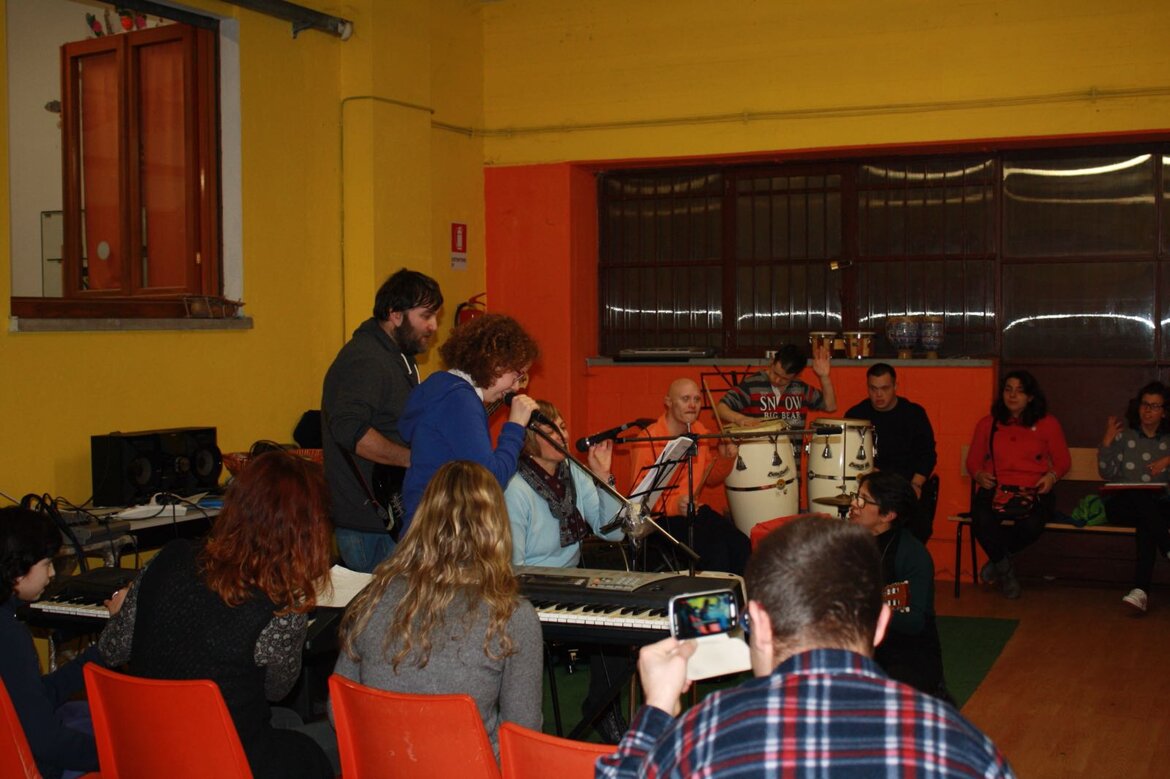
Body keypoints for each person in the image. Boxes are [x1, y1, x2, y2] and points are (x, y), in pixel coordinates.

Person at [596, 516, 1015, 778]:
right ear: (881, 625)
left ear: (759, 625)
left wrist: (656, 710)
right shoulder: (963, 748)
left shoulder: (699, 737)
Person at [98, 451, 337, 779]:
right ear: (307, 531)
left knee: (287, 723)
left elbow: (112, 650)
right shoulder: (280, 606)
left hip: (151, 752)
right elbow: (276, 691)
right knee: (320, 747)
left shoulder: (168, 558)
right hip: (225, 758)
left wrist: (120, 613)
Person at [335, 461, 543, 755]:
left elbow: (338, 710)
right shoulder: (512, 615)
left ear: (424, 518)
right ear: (496, 526)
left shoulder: (373, 597)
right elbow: (524, 735)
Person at [504, 400, 628, 741]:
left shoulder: (573, 471)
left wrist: (602, 477)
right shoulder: (515, 487)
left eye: (562, 426)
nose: (562, 435)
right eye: (551, 430)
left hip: (572, 582)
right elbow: (511, 568)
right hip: (529, 590)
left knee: (618, 623)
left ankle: (602, 708)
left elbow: (613, 532)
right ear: (530, 438)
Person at [321, 268, 443, 572]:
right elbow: (349, 429)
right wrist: (411, 459)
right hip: (370, 527)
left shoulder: (397, 355)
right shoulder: (366, 360)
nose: (433, 326)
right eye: (426, 316)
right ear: (395, 314)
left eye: (435, 316)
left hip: (390, 520)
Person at [1, 506, 127, 779]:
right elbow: (48, 743)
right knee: (124, 727)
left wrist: (103, 650)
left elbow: (33, 696)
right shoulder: (10, 636)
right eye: (47, 564)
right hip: (39, 768)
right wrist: (121, 754)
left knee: (84, 713)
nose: (51, 574)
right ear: (17, 570)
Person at [399, 313, 540, 527]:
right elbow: (489, 481)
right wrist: (515, 427)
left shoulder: (442, 387)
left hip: (428, 525)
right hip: (442, 531)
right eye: (518, 376)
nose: (517, 387)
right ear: (496, 364)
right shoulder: (460, 401)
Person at [629, 378, 752, 575]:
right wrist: (674, 505)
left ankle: (738, 593)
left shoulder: (699, 432)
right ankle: (714, 595)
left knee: (741, 544)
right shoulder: (648, 440)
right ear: (668, 402)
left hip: (692, 512)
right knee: (716, 551)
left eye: (697, 399)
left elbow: (711, 478)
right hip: (660, 520)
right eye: (685, 399)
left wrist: (725, 458)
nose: (693, 405)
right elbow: (640, 499)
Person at [966, 370, 1070, 599]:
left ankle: (998, 561)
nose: (1012, 395)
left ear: (1031, 396)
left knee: (1033, 524)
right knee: (981, 519)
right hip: (997, 486)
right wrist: (979, 474)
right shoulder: (988, 423)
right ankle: (1006, 570)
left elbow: (1063, 461)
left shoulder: (1047, 423)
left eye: (1020, 391)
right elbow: (973, 461)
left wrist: (1051, 477)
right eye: (1008, 390)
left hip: (1034, 488)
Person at [848, 471, 949, 700]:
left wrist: (867, 608)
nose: (854, 504)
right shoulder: (850, 544)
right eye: (857, 496)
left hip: (906, 655)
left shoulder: (912, 555)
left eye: (863, 500)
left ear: (888, 515)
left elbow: (913, 622)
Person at [1097, 380, 1170, 614]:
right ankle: (1167, 546)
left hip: (1158, 508)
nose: (1148, 410)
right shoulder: (1124, 437)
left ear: (1164, 412)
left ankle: (1140, 592)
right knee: (1140, 497)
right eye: (1144, 404)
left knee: (1148, 520)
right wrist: (1107, 441)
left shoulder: (1168, 442)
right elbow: (1106, 473)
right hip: (1122, 505)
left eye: (1155, 406)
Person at [845, 362, 939, 541]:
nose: (878, 394)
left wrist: (916, 484)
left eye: (885, 388)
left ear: (895, 386)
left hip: (905, 486)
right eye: (873, 389)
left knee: (915, 528)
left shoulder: (913, 414)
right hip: (869, 489)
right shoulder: (856, 415)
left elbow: (927, 454)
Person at [716, 342, 837, 432]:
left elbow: (830, 406)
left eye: (784, 378)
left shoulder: (801, 389)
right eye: (775, 373)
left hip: (792, 455)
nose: (777, 380)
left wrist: (824, 377)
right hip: (759, 454)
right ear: (772, 362)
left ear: (796, 376)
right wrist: (739, 419)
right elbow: (721, 408)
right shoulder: (752, 385)